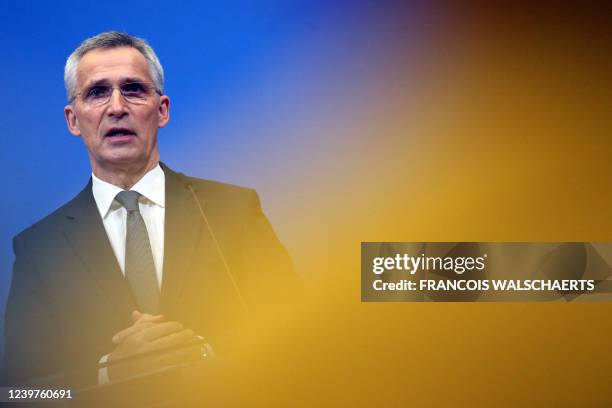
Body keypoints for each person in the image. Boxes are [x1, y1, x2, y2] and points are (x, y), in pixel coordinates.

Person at [2, 31, 300, 387]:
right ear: (73, 120)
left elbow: (303, 339)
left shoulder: (233, 211)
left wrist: (207, 356)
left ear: (162, 111)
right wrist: (107, 374)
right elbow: (22, 393)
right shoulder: (40, 249)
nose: (116, 107)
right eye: (97, 92)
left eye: (133, 89)